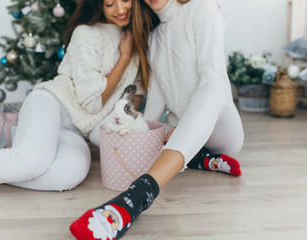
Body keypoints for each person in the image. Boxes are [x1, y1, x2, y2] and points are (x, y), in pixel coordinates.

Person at [69, 0, 244, 239]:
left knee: (212, 88)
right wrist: (142, 135)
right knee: (116, 132)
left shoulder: (202, 8)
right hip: (179, 129)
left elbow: (212, 77)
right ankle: (199, 157)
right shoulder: (154, 37)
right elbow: (158, 100)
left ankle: (137, 197)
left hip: (221, 128)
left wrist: (179, 128)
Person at [0, 0, 156, 191]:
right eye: (110, 3)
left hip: (76, 129)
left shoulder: (138, 40)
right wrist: (125, 57)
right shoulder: (86, 33)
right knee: (31, 162)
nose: (121, 9)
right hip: (52, 102)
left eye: (125, 0)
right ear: (98, 5)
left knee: (69, 175)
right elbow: (93, 102)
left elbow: (128, 106)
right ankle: (0, 162)